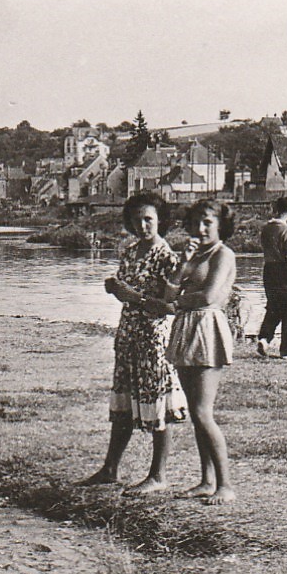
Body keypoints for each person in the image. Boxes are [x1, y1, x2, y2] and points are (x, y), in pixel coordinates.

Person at [79, 193, 186, 492]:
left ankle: (158, 475)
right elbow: (124, 289)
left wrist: (133, 297)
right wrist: (113, 288)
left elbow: (171, 307)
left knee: (157, 402)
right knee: (124, 400)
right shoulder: (129, 252)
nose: (142, 225)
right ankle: (110, 468)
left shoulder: (168, 258)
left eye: (148, 219)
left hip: (152, 337)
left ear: (160, 221)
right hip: (127, 334)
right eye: (137, 220)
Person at [167, 199, 238, 504]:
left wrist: (179, 300)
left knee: (202, 412)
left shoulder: (224, 254)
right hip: (186, 328)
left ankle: (226, 486)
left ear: (220, 224)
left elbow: (209, 297)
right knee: (196, 413)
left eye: (208, 222)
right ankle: (206, 481)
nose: (200, 228)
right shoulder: (194, 254)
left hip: (208, 330)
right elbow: (168, 291)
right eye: (196, 221)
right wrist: (182, 266)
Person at [256, 197, 287, 359]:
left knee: (274, 306)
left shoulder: (266, 228)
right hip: (282, 271)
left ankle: (264, 338)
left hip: (268, 270)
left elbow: (273, 243)